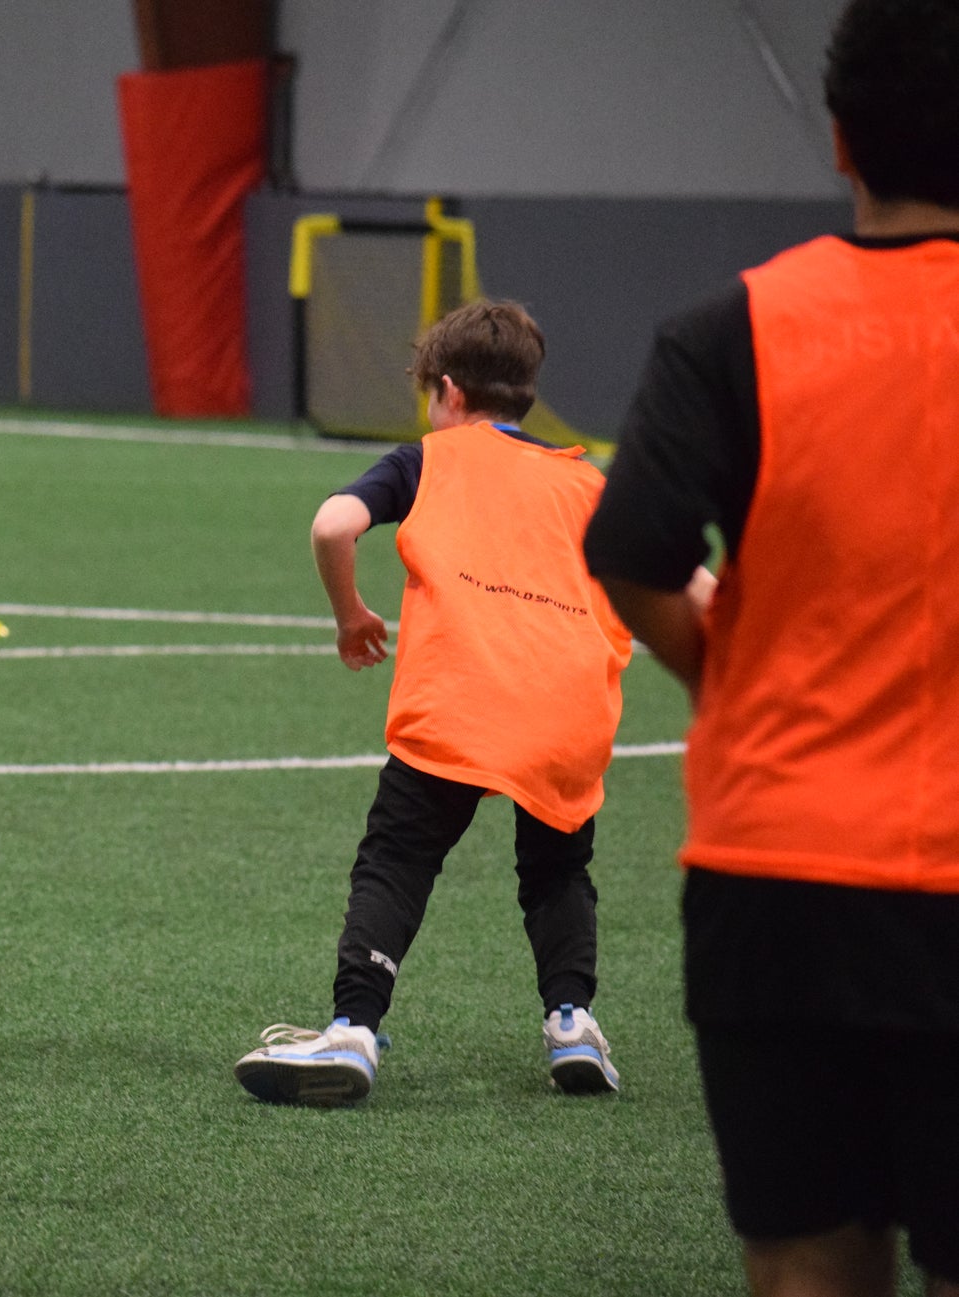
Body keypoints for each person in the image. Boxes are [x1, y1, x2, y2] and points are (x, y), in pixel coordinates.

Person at [583, 0, 959, 1291]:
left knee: (804, 1258)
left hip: (775, 878)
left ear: (839, 138)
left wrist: (727, 681)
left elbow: (628, 548)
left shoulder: (729, 328)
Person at [232, 300, 674, 1108]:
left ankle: (354, 1028)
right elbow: (681, 573)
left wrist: (350, 615)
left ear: (448, 391)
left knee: (399, 856)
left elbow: (332, 526)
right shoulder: (587, 482)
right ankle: (573, 1023)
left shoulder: (427, 459)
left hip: (460, 699)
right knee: (558, 867)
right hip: (568, 706)